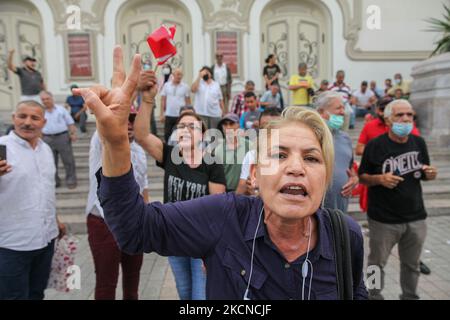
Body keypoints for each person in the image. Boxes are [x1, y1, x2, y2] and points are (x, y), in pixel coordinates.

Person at [73, 46, 367, 300]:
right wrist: (114, 143)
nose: (295, 167)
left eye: (312, 158)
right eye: (278, 155)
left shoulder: (345, 236)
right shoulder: (224, 217)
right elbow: (135, 229)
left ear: (325, 177)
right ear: (253, 175)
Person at [134, 69, 226, 300]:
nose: (186, 130)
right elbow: (142, 135)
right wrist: (147, 100)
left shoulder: (211, 164)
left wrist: (212, 251)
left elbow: (218, 209)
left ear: (203, 134)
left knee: (200, 297)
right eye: (181, 126)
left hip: (201, 242)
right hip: (173, 239)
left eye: (192, 126)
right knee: (185, 294)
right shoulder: (170, 155)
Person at [358, 100, 437, 300]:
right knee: (376, 263)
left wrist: (430, 174)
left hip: (416, 217)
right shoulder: (375, 145)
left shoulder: (418, 143)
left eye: (409, 115)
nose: (405, 119)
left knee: (412, 264)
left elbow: (425, 172)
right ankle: (372, 295)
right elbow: (362, 177)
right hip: (383, 219)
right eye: (400, 115)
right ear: (388, 119)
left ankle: (410, 296)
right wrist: (379, 179)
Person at [0, 100, 65, 300]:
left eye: (34, 118)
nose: (28, 122)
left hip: (45, 239)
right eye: (22, 116)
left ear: (43, 123)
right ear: (13, 118)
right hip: (11, 244)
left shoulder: (45, 150)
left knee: (37, 294)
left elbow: (45, 190)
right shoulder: (2, 146)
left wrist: (56, 220)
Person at [86, 107, 148, 300]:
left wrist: (145, 217)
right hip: (103, 222)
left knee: (133, 280)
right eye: (124, 120)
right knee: (106, 282)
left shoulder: (138, 149)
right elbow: (104, 127)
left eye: (132, 120)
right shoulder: (102, 142)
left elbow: (143, 185)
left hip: (133, 223)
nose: (128, 124)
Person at [316, 92, 359, 213]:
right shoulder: (310, 137)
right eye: (338, 108)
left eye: (343, 108)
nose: (343, 112)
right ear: (321, 112)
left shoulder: (345, 138)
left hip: (339, 213)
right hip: (314, 214)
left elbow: (350, 168)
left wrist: (354, 179)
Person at [236, 107, 281, 196]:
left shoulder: (293, 158)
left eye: (275, 127)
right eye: (264, 127)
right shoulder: (251, 155)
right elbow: (240, 192)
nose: (269, 131)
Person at [40, 90, 78, 189]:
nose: (45, 101)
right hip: (47, 138)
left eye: (47, 99)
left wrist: (73, 133)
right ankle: (55, 181)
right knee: (51, 161)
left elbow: (70, 123)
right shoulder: (40, 112)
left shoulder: (61, 110)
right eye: (43, 99)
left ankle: (71, 180)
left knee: (68, 160)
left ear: (52, 98)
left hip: (63, 137)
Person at [216, 113, 252, 193]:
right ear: (222, 127)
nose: (228, 127)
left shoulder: (249, 146)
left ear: (238, 125)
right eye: (225, 124)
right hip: (226, 193)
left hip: (247, 192)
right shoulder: (217, 150)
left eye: (231, 124)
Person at [159, 68, 191, 142]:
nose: (179, 76)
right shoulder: (166, 85)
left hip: (180, 115)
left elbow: (188, 102)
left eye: (181, 75)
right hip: (169, 114)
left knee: (180, 135)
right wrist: (161, 114)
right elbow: (163, 100)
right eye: (178, 74)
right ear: (173, 75)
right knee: (167, 135)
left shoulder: (185, 86)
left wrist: (188, 114)